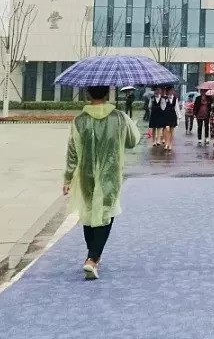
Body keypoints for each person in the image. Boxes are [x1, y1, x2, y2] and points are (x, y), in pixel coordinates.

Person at [63, 85, 139, 280]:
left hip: (86, 174)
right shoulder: (119, 118)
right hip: (110, 174)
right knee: (106, 212)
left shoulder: (79, 120)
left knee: (89, 212)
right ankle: (92, 258)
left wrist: (68, 178)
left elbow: (72, 152)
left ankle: (92, 254)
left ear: (88, 93)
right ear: (108, 93)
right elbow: (132, 142)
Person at [159, 86, 179, 151]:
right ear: (167, 91)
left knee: (172, 130)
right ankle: (166, 143)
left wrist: (179, 116)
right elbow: (162, 108)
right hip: (166, 115)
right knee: (167, 130)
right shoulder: (164, 98)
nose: (172, 92)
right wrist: (165, 100)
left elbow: (177, 108)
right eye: (170, 90)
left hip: (173, 115)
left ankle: (170, 144)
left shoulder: (175, 98)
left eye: (173, 90)